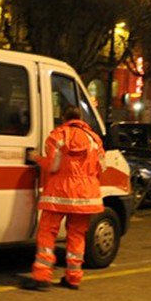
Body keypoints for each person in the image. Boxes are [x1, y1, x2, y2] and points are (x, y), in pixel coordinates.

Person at [25, 105, 106, 290]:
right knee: (77, 235)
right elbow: (102, 167)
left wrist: (36, 158)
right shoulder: (94, 139)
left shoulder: (57, 135)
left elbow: (53, 166)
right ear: (80, 118)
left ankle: (42, 277)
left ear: (63, 117)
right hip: (86, 195)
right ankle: (73, 278)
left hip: (59, 193)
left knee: (48, 232)